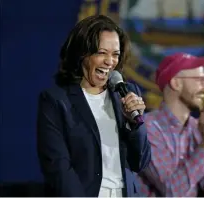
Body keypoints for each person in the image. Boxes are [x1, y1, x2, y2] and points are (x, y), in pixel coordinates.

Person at [37, 15, 151, 197]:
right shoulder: (56, 100)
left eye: (115, 54)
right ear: (82, 54)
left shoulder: (127, 94)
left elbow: (141, 162)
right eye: (101, 52)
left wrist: (134, 124)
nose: (109, 61)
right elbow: (58, 167)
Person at [139, 53, 204, 197]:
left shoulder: (200, 129)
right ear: (176, 83)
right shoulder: (147, 127)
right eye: (200, 80)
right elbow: (172, 191)